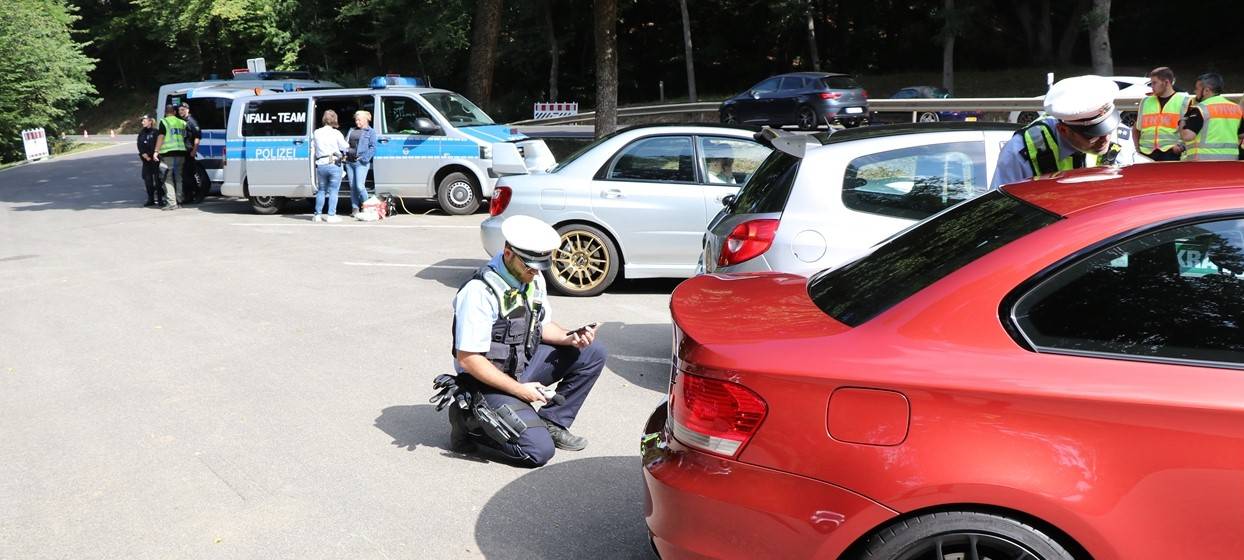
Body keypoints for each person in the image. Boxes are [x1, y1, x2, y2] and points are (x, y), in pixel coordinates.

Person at [447, 215, 606, 467]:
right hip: (485, 381)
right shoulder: (479, 292)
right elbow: (468, 359)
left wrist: (571, 338)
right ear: (508, 252)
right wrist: (522, 391)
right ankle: (471, 422)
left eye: (540, 266)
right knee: (537, 452)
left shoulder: (533, 278)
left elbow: (541, 326)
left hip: (520, 364)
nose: (534, 272)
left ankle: (551, 422)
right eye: (529, 265)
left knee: (592, 352)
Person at [991, 75, 1140, 189]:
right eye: (1093, 135)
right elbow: (1001, 210)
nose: (1106, 138)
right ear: (1063, 130)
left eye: (1108, 128)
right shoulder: (1020, 152)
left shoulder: (1121, 140)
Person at [1132, 67, 1192, 161]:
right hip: (1146, 153)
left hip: (1171, 153)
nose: (1152, 86)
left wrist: (1181, 146)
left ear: (1166, 82)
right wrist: (1137, 149)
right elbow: (1136, 128)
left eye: (1155, 83)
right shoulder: (1145, 101)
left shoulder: (1184, 101)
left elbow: (1191, 130)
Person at [1179, 73, 1243, 161]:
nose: (1195, 91)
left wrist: (1182, 120)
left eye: (1197, 89)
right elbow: (1241, 134)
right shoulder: (1236, 108)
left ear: (1206, 91)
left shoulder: (1200, 108)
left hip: (1204, 162)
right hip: (1230, 160)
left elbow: (1187, 136)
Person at [312, 110, 350, 223]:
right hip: (334, 164)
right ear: (334, 119)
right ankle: (331, 215)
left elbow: (313, 146)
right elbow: (345, 147)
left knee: (321, 190)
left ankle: (317, 215)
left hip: (321, 165)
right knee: (333, 191)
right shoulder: (336, 133)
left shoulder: (317, 132)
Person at [153, 104, 188, 211]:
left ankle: (172, 203)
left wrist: (156, 151)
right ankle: (180, 200)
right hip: (181, 153)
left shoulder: (164, 121)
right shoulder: (182, 122)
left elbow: (161, 136)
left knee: (167, 178)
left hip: (168, 154)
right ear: (175, 112)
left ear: (165, 112)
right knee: (179, 178)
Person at [344, 110, 378, 218]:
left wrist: (364, 158)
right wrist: (345, 153)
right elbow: (345, 143)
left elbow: (373, 148)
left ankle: (368, 206)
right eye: (356, 120)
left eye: (359, 120)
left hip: (361, 162)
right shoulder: (351, 130)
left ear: (365, 120)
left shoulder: (371, 132)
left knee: (359, 186)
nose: (357, 122)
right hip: (349, 162)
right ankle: (355, 208)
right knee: (352, 186)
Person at [177, 104, 203, 203]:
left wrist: (194, 151)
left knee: (190, 176)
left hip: (189, 152)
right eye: (179, 110)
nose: (181, 112)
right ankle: (188, 196)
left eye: (183, 110)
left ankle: (198, 195)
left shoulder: (191, 121)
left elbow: (197, 137)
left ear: (188, 110)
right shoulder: (182, 121)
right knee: (185, 176)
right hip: (184, 152)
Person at [136, 115, 163, 207]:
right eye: (142, 121)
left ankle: (160, 199)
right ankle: (150, 199)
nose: (142, 122)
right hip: (146, 160)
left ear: (150, 121)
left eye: (144, 120)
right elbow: (139, 145)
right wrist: (144, 154)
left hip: (155, 159)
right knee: (148, 180)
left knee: (158, 180)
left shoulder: (156, 132)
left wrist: (155, 153)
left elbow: (160, 144)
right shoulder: (141, 133)